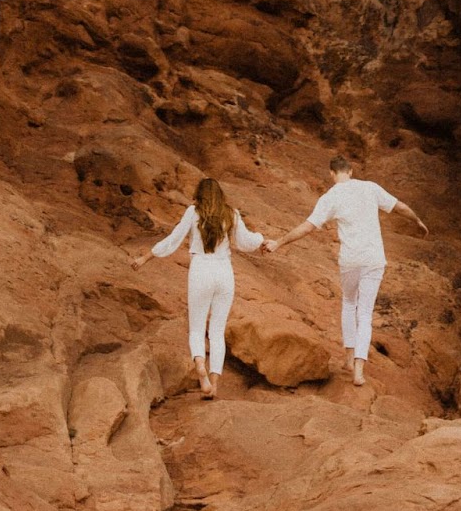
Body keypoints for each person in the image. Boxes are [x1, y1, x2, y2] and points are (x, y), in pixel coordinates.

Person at [266, 155, 428, 386]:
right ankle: (359, 371)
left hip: (350, 260)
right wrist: (418, 220)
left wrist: (279, 242)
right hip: (373, 259)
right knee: (365, 313)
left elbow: (307, 227)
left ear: (332, 174)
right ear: (351, 171)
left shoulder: (330, 197)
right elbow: (399, 207)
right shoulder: (370, 188)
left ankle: (349, 358)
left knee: (349, 303)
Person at [131, 176, 263, 399]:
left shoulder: (193, 212)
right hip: (224, 272)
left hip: (201, 269)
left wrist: (146, 257)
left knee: (196, 328)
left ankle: (201, 369)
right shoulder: (231, 213)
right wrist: (262, 240)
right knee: (217, 331)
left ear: (199, 194)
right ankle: (214, 384)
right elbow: (246, 241)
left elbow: (174, 239)